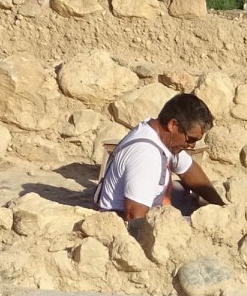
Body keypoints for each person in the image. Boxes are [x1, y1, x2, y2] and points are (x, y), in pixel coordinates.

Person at [96, 92, 224, 221]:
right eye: (190, 139)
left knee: (181, 189)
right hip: (124, 220)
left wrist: (220, 206)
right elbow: (134, 218)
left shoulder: (158, 133)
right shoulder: (147, 155)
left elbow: (188, 170)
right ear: (173, 125)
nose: (192, 146)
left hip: (147, 207)